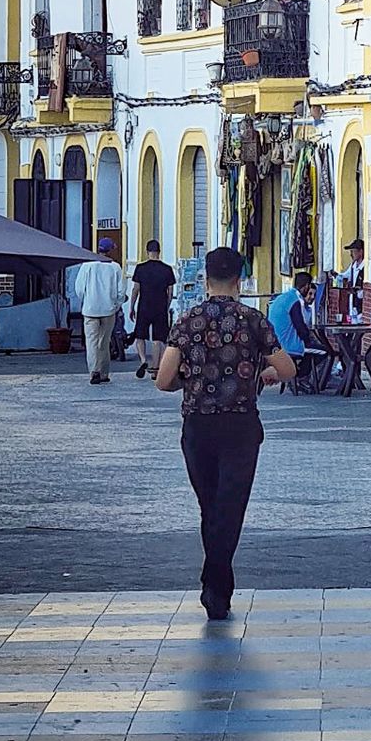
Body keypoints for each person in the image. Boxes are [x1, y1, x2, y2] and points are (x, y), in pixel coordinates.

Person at [156, 247, 296, 620]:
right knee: (230, 507)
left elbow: (163, 379)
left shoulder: (187, 321)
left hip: (198, 426)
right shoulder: (254, 320)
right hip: (240, 426)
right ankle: (216, 584)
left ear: (205, 279)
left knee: (210, 505)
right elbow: (288, 368)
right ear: (239, 280)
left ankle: (215, 583)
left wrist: (189, 381)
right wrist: (265, 374)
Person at [74, 240, 128, 386]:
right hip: (108, 310)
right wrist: (117, 305)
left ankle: (94, 371)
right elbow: (121, 291)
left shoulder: (87, 266)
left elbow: (79, 288)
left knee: (91, 342)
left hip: (90, 309)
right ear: (110, 251)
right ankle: (104, 373)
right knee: (104, 341)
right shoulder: (115, 267)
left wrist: (86, 300)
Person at [129, 239, 176, 380]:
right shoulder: (167, 269)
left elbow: (135, 289)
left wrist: (132, 306)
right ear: (159, 252)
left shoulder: (140, 268)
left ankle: (143, 360)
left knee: (140, 336)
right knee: (158, 339)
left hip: (144, 305)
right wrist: (166, 307)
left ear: (147, 251)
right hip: (160, 306)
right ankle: (155, 369)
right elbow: (170, 292)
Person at [334, 238, 365, 319]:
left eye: (353, 251)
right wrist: (335, 275)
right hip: (353, 300)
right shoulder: (353, 265)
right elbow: (345, 275)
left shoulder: (365, 267)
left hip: (360, 301)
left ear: (360, 252)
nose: (351, 254)